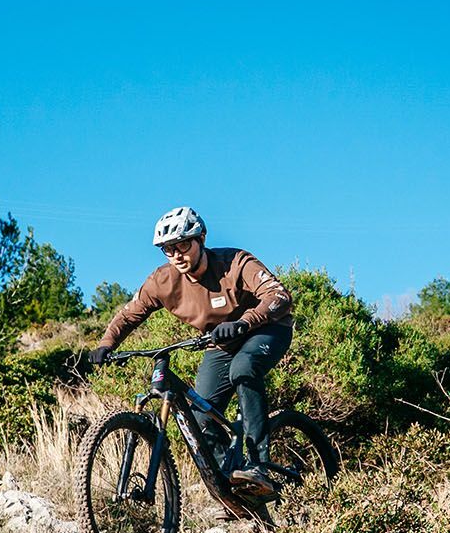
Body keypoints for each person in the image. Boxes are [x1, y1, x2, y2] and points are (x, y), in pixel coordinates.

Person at [86, 207, 295, 491]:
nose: (176, 255)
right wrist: (106, 344)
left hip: (266, 329)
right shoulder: (163, 281)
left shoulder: (235, 262)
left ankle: (259, 465)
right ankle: (235, 489)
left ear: (202, 238)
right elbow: (129, 314)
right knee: (199, 417)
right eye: (168, 249)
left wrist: (244, 322)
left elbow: (279, 296)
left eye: (183, 244)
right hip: (219, 343)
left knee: (244, 369)